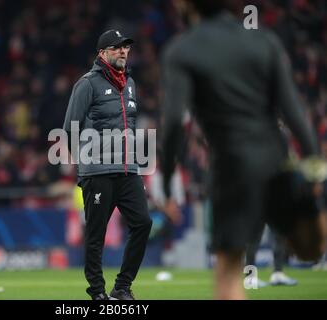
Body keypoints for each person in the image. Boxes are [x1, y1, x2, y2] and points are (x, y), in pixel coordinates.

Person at [161, 0, 325, 299]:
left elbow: (173, 122)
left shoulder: (182, 50)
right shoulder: (265, 42)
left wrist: (168, 181)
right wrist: (315, 166)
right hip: (276, 161)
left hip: (230, 166)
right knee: (310, 246)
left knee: (228, 270)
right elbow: (294, 113)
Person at [63, 30, 152, 300]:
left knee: (143, 223)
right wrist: (88, 163)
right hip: (98, 172)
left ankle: (122, 287)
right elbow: (70, 129)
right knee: (96, 234)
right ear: (102, 54)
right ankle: (98, 293)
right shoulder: (87, 84)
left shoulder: (131, 83)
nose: (124, 52)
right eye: (117, 48)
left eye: (126, 47)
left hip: (128, 171)